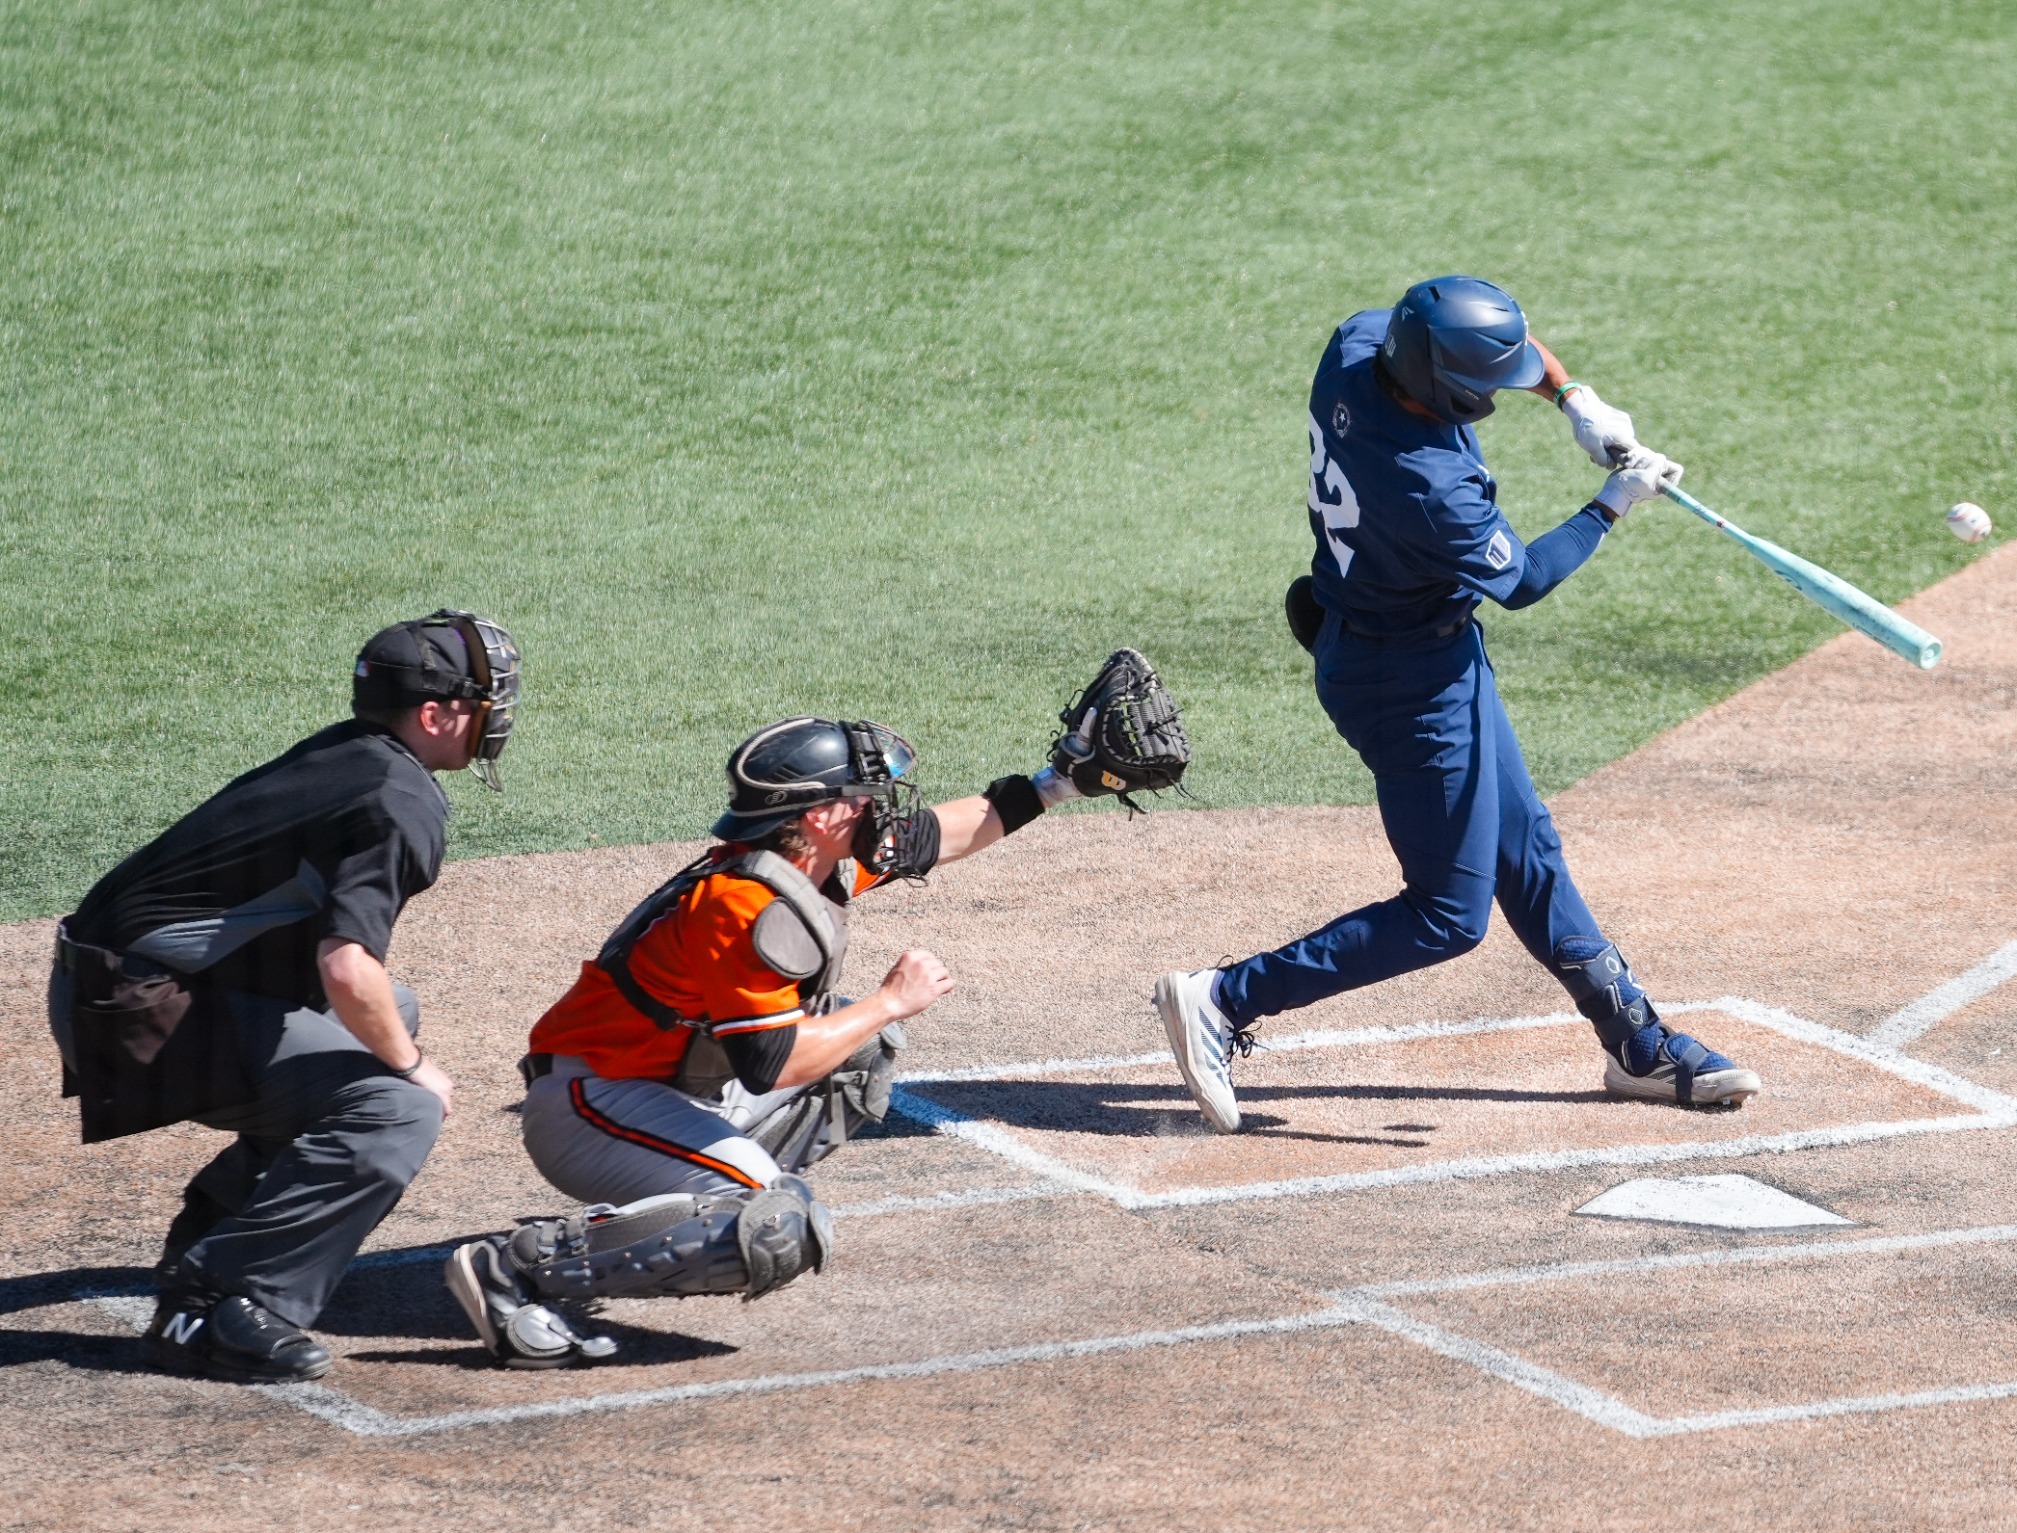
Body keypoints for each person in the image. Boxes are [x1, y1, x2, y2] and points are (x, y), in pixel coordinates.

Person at [447, 654, 1188, 1367]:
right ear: (820, 814)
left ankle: (682, 1211)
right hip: (593, 1105)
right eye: (864, 795)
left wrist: (1059, 783)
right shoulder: (743, 906)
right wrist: (890, 1001)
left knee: (856, 1059)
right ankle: (515, 1269)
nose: (879, 805)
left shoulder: (805, 861)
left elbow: (937, 835)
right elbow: (773, 1066)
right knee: (775, 1223)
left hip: (664, 1089)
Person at [1152, 276, 1761, 1132]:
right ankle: (1222, 998)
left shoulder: (1357, 348)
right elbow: (1526, 579)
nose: (1504, 391)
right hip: (1406, 687)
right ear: (1443, 385)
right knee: (1446, 915)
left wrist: (1576, 400)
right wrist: (1612, 503)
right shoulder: (1429, 485)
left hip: (1411, 648)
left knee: (1527, 848)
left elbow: (1497, 348)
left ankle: (1637, 1043)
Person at [51, 610, 521, 1381]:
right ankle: (219, 1304)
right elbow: (348, 968)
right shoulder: (397, 797)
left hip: (116, 983)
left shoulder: (350, 753)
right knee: (395, 1105)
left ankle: (219, 1234)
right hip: (137, 1011)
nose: (497, 716)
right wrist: (415, 1070)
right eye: (483, 702)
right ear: (437, 715)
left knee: (389, 1019)